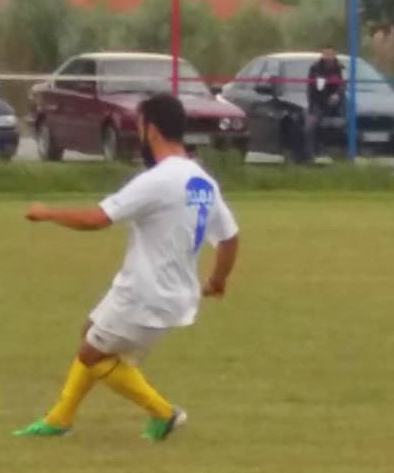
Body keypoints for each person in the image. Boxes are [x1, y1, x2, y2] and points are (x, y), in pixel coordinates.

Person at [15, 93, 240, 441]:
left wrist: (48, 213)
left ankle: (163, 413)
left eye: (140, 126)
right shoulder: (203, 181)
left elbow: (98, 219)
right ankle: (60, 418)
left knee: (93, 354)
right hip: (173, 293)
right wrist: (217, 281)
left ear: (152, 130)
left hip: (147, 293)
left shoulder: (159, 180)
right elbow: (229, 237)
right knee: (91, 331)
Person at [304, 47, 346, 161]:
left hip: (336, 104)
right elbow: (311, 88)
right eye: (326, 54)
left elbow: (342, 85)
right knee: (309, 127)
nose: (329, 57)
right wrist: (313, 104)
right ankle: (310, 155)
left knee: (349, 122)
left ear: (334, 55)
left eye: (331, 54)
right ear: (322, 55)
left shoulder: (339, 68)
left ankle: (346, 154)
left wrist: (337, 95)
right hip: (318, 102)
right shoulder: (315, 68)